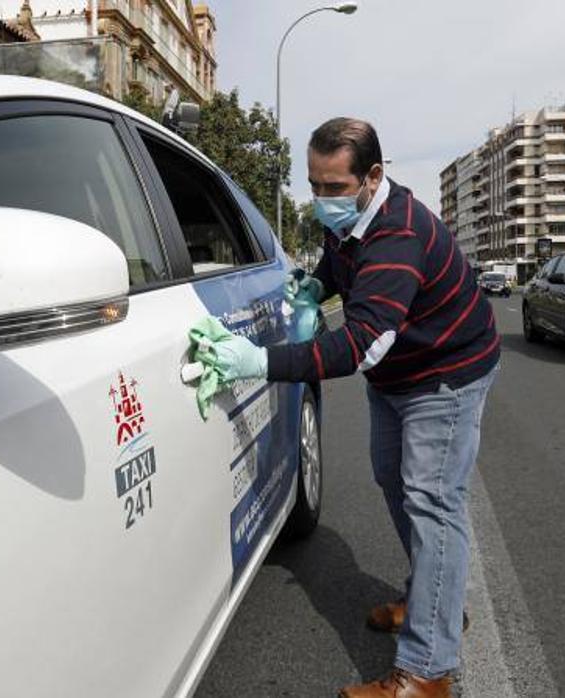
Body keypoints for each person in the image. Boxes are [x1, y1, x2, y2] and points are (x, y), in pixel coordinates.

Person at [196, 117, 500, 698]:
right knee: (393, 479)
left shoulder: (397, 236)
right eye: (313, 184)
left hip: (446, 374)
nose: (321, 199)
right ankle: (433, 603)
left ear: (373, 177)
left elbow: (361, 344)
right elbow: (340, 263)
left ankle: (426, 672)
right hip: (400, 374)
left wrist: (258, 361)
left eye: (334, 187)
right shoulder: (349, 221)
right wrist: (316, 285)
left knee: (432, 501)